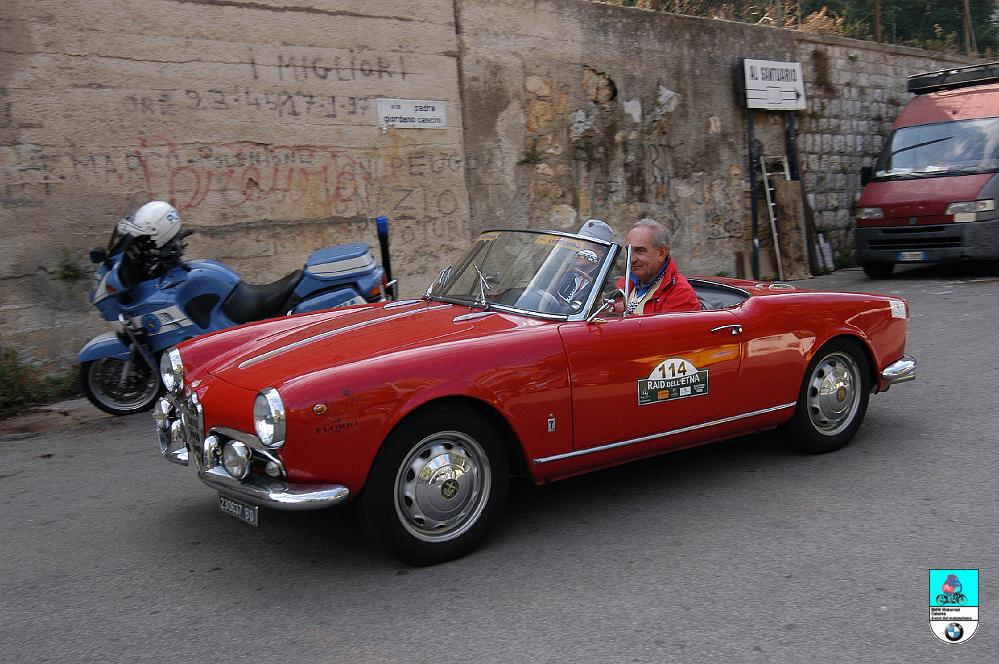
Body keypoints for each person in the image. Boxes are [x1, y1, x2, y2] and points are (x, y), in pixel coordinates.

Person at [622, 218, 700, 315]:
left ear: (661, 253)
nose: (632, 259)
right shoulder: (624, 284)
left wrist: (618, 318)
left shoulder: (681, 294)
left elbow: (660, 325)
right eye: (629, 251)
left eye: (640, 251)